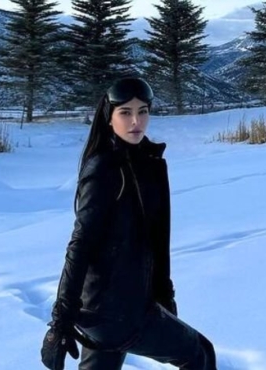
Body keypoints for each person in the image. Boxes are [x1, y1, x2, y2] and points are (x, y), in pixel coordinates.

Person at [41, 77, 217, 370]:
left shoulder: (145, 161)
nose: (136, 121)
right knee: (199, 353)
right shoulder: (106, 169)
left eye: (143, 111)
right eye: (125, 112)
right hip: (117, 311)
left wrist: (163, 293)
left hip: (110, 309)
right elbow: (80, 244)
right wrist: (61, 320)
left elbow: (156, 239)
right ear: (108, 118)